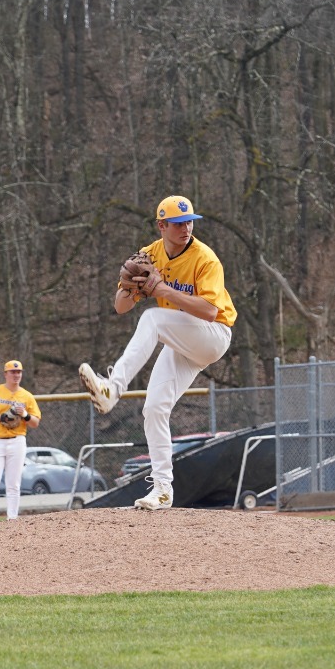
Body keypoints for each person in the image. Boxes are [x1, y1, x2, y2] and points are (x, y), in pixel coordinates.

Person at [79, 196, 235, 512]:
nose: (186, 228)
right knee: (154, 409)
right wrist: (127, 287)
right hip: (182, 340)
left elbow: (209, 310)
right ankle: (163, 490)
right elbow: (120, 308)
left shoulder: (205, 258)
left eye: (190, 221)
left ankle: (113, 389)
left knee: (153, 318)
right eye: (178, 223)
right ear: (161, 225)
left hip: (214, 334)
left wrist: (161, 290)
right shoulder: (150, 254)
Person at [0, 359, 42, 523]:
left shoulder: (26, 396)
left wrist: (25, 414)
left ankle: (12, 517)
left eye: (19, 372)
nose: (16, 375)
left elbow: (35, 422)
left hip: (17, 440)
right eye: (12, 372)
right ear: (5, 374)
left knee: (14, 483)